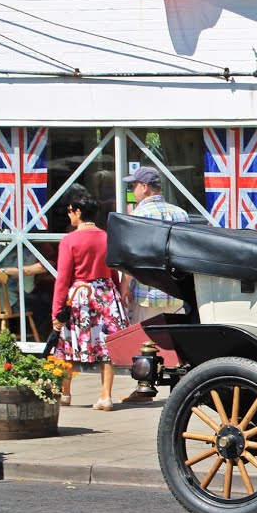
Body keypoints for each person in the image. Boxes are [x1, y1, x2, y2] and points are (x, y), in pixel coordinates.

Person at [50, 185, 129, 411]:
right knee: (107, 346)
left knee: (67, 343)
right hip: (105, 292)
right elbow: (113, 270)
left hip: (80, 295)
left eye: (69, 211)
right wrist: (115, 292)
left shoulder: (69, 240)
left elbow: (63, 279)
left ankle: (65, 393)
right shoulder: (106, 237)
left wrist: (56, 311)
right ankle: (106, 396)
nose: (69, 215)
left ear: (77, 211)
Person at [117, 166, 188, 403]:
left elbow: (131, 256)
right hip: (176, 291)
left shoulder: (138, 215)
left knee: (146, 342)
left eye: (134, 186)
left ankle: (144, 387)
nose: (132, 190)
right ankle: (178, 388)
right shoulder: (180, 213)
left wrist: (125, 284)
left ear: (145, 187)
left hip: (148, 290)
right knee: (175, 341)